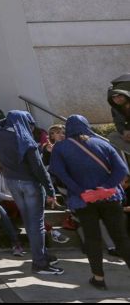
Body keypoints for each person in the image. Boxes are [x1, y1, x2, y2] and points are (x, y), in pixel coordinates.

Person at [49, 115, 130, 289]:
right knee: (121, 238)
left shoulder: (60, 147)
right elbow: (122, 170)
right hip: (110, 197)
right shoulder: (103, 143)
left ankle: (98, 279)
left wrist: (80, 190)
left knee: (92, 239)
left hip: (83, 200)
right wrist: (105, 187)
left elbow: (59, 172)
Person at [0, 110, 61, 275]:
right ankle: (39, 263)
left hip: (12, 183)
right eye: (30, 124)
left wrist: (10, 118)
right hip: (30, 184)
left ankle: (41, 254)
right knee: (36, 224)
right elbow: (39, 169)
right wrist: (50, 190)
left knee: (29, 222)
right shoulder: (27, 141)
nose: (31, 128)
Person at [108, 74, 130, 155]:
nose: (117, 99)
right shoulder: (115, 109)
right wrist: (124, 132)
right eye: (114, 97)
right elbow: (118, 124)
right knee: (113, 136)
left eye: (120, 95)